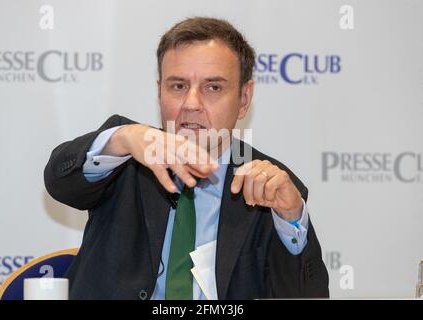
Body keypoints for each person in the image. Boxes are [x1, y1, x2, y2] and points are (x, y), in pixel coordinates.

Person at [44, 17, 329, 300]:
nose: (191, 104)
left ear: (244, 98)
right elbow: (59, 181)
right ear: (159, 92)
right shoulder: (125, 155)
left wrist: (291, 219)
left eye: (213, 87)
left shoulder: (268, 186)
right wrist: (121, 139)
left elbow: (309, 295)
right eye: (178, 86)